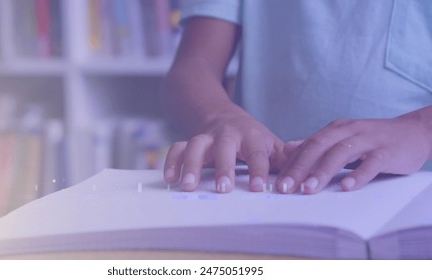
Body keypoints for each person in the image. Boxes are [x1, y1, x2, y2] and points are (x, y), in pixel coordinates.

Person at [160, 0, 432, 195]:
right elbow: (192, 68)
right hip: (258, 188)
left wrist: (424, 128)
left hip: (409, 195)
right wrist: (219, 117)